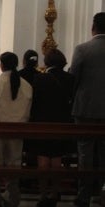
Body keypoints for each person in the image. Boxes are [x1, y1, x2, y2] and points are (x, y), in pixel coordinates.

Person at [0, 52, 32, 207]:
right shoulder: (26, 85)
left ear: (1, 65)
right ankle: (12, 196)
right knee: (14, 164)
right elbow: (28, 111)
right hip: (17, 129)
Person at [27, 49, 74, 207]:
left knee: (43, 159)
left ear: (47, 62)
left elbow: (35, 101)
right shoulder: (69, 78)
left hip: (42, 121)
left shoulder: (40, 78)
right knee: (57, 159)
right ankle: (55, 192)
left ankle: (42, 194)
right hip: (62, 122)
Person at [69, 12, 105, 207]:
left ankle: (83, 195)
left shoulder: (82, 49)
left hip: (85, 108)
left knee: (85, 154)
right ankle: (103, 193)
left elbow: (73, 77)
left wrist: (74, 97)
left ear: (93, 27)